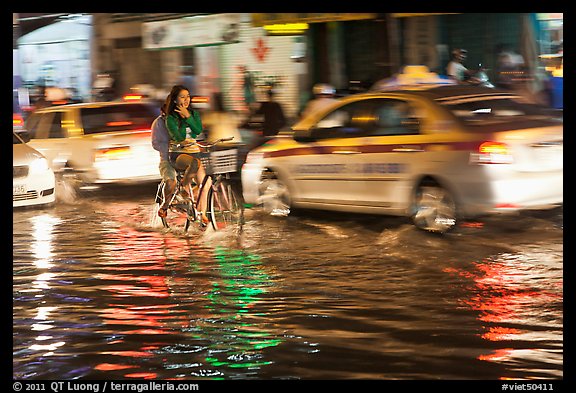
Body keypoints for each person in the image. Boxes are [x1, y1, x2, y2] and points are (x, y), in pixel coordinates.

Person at [155, 85, 209, 223]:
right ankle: (184, 186)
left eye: (188, 96)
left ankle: (202, 214)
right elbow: (178, 137)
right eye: (182, 97)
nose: (186, 100)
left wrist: (188, 116)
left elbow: (197, 131)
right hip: (178, 154)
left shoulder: (194, 114)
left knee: (205, 183)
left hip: (194, 152)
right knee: (194, 164)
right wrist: (183, 119)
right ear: (175, 100)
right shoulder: (170, 118)